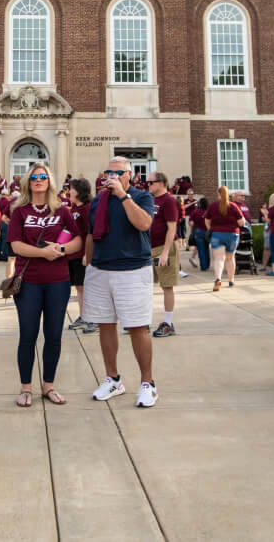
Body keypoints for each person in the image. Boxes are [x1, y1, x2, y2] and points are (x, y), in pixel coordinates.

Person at [4, 162, 82, 407]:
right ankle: (26, 387)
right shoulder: (19, 211)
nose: (39, 180)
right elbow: (15, 245)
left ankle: (49, 385)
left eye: (43, 176)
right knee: (28, 334)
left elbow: (78, 239)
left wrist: (60, 249)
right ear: (28, 181)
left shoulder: (61, 210)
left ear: (50, 181)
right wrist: (43, 253)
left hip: (58, 282)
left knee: (54, 336)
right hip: (29, 282)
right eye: (35, 176)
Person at [85, 157, 160, 407]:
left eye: (118, 172)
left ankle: (148, 383)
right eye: (109, 171)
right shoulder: (98, 201)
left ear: (130, 175)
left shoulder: (141, 198)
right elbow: (90, 233)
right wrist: (88, 264)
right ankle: (113, 379)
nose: (112, 176)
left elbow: (144, 223)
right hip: (101, 269)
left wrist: (122, 196)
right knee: (105, 325)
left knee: (138, 327)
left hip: (133, 270)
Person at [147, 172, 183, 337]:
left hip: (164, 248)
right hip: (150, 248)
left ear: (161, 183)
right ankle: (143, 321)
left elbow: (172, 228)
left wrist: (165, 253)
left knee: (166, 286)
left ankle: (168, 323)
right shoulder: (152, 199)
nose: (148, 185)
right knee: (146, 285)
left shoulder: (168, 201)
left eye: (151, 182)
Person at [65, 178, 98, 334]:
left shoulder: (87, 209)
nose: (68, 191)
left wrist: (87, 253)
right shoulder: (73, 209)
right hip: (73, 255)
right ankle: (84, 316)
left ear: (79, 191)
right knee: (79, 287)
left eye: (71, 189)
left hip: (84, 256)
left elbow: (90, 234)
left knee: (88, 288)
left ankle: (95, 319)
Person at [206, 186, 247, 292]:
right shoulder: (233, 206)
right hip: (232, 234)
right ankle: (231, 280)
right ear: (228, 194)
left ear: (218, 193)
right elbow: (241, 222)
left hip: (217, 234)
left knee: (219, 259)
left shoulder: (213, 206)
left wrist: (211, 229)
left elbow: (207, 220)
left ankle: (218, 279)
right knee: (230, 258)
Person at [188, 195, 210, 272]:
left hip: (198, 232)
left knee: (201, 249)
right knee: (207, 249)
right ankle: (207, 265)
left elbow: (191, 222)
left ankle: (203, 267)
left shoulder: (195, 211)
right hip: (207, 232)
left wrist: (194, 227)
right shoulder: (208, 212)